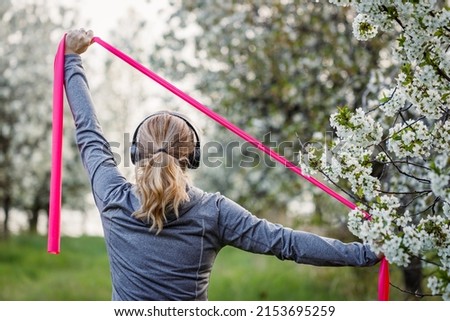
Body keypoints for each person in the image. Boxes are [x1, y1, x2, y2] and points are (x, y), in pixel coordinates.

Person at [64, 28, 380, 301]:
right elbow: (285, 243)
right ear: (193, 157)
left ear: (134, 153)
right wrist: (366, 253)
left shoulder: (111, 195)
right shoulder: (213, 212)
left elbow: (88, 130)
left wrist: (71, 58)